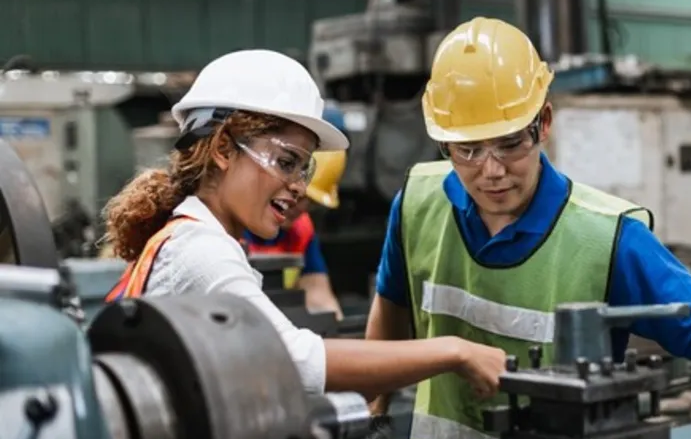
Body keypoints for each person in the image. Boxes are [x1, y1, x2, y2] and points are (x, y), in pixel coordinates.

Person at [363, 17, 691, 439]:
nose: (492, 170)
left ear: (543, 124)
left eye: (509, 143)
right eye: (468, 150)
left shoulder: (605, 237)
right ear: (444, 143)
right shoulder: (418, 204)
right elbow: (391, 306)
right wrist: (376, 414)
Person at [101, 48, 507, 400]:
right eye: (285, 162)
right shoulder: (203, 249)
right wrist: (455, 352)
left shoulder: (189, 235)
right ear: (224, 148)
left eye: (303, 168)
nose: (297, 187)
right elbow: (295, 360)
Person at [243, 148, 346, 320]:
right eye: (298, 197)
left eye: (311, 203)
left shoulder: (301, 229)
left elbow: (319, 297)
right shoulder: (229, 224)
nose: (302, 208)